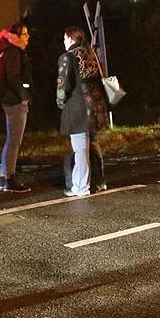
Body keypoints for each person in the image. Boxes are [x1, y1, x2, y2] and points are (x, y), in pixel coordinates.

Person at [56, 26, 109, 196]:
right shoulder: (90, 53)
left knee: (80, 149)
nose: (64, 42)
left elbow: (63, 85)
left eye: (65, 38)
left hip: (78, 108)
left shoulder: (68, 57)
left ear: (71, 38)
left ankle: (80, 186)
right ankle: (99, 182)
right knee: (93, 145)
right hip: (95, 107)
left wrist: (60, 101)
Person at [0, 22, 32, 193]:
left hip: (10, 99)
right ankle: (9, 177)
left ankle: (4, 177)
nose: (28, 37)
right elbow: (14, 77)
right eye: (24, 34)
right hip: (14, 101)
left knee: (12, 140)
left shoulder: (10, 51)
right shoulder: (13, 52)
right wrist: (24, 97)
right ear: (16, 37)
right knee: (14, 141)